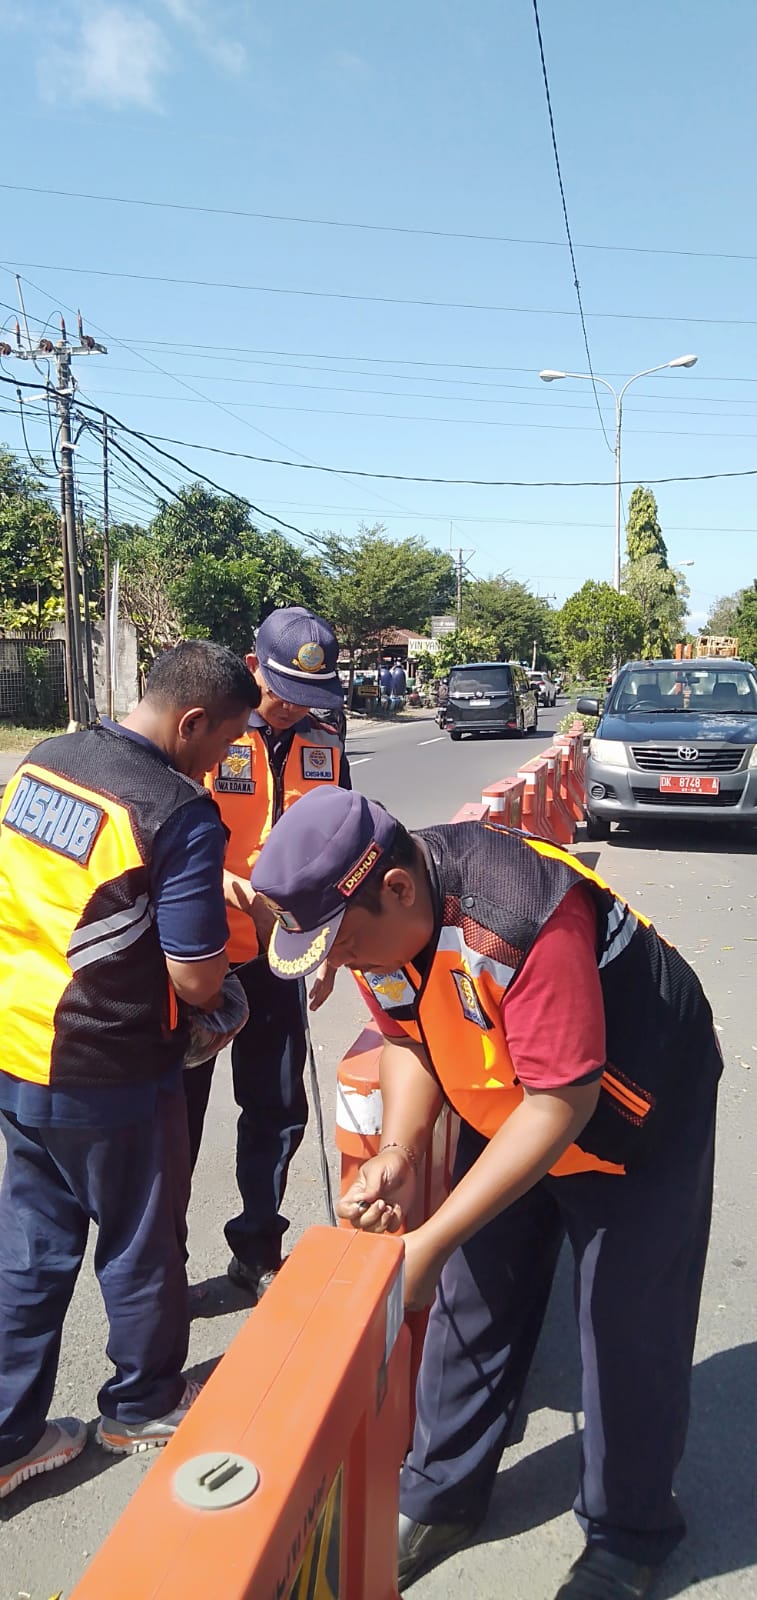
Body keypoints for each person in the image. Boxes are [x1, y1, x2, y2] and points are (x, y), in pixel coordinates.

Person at [251, 788, 722, 1600]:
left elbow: (562, 1102)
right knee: (473, 1301)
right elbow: (409, 1038)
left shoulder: (524, 916)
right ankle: (440, 1495)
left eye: (344, 943)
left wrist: (425, 1243)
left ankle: (626, 1536)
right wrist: (397, 1151)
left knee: (625, 1333)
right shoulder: (385, 920)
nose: (338, 964)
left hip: (631, 1118)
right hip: (508, 1100)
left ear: (398, 889)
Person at [0, 642, 259, 1499]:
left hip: (19, 1047)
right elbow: (195, 977)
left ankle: (9, 1435)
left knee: (31, 1250)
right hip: (109, 1064)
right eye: (224, 742)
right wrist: (225, 1007)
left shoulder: (50, 761)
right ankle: (142, 1403)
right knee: (142, 1242)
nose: (222, 760)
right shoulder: (177, 809)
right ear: (192, 722)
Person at [183, 606, 350, 1300]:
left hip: (278, 956)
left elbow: (348, 847)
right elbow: (163, 835)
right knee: (176, 1114)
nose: (292, 712)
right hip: (194, 954)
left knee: (277, 1107)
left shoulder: (326, 742)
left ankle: (256, 1247)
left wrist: (333, 948)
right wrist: (228, 888)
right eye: (283, 694)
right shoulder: (209, 733)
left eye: (309, 699)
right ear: (254, 670)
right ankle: (158, 1270)